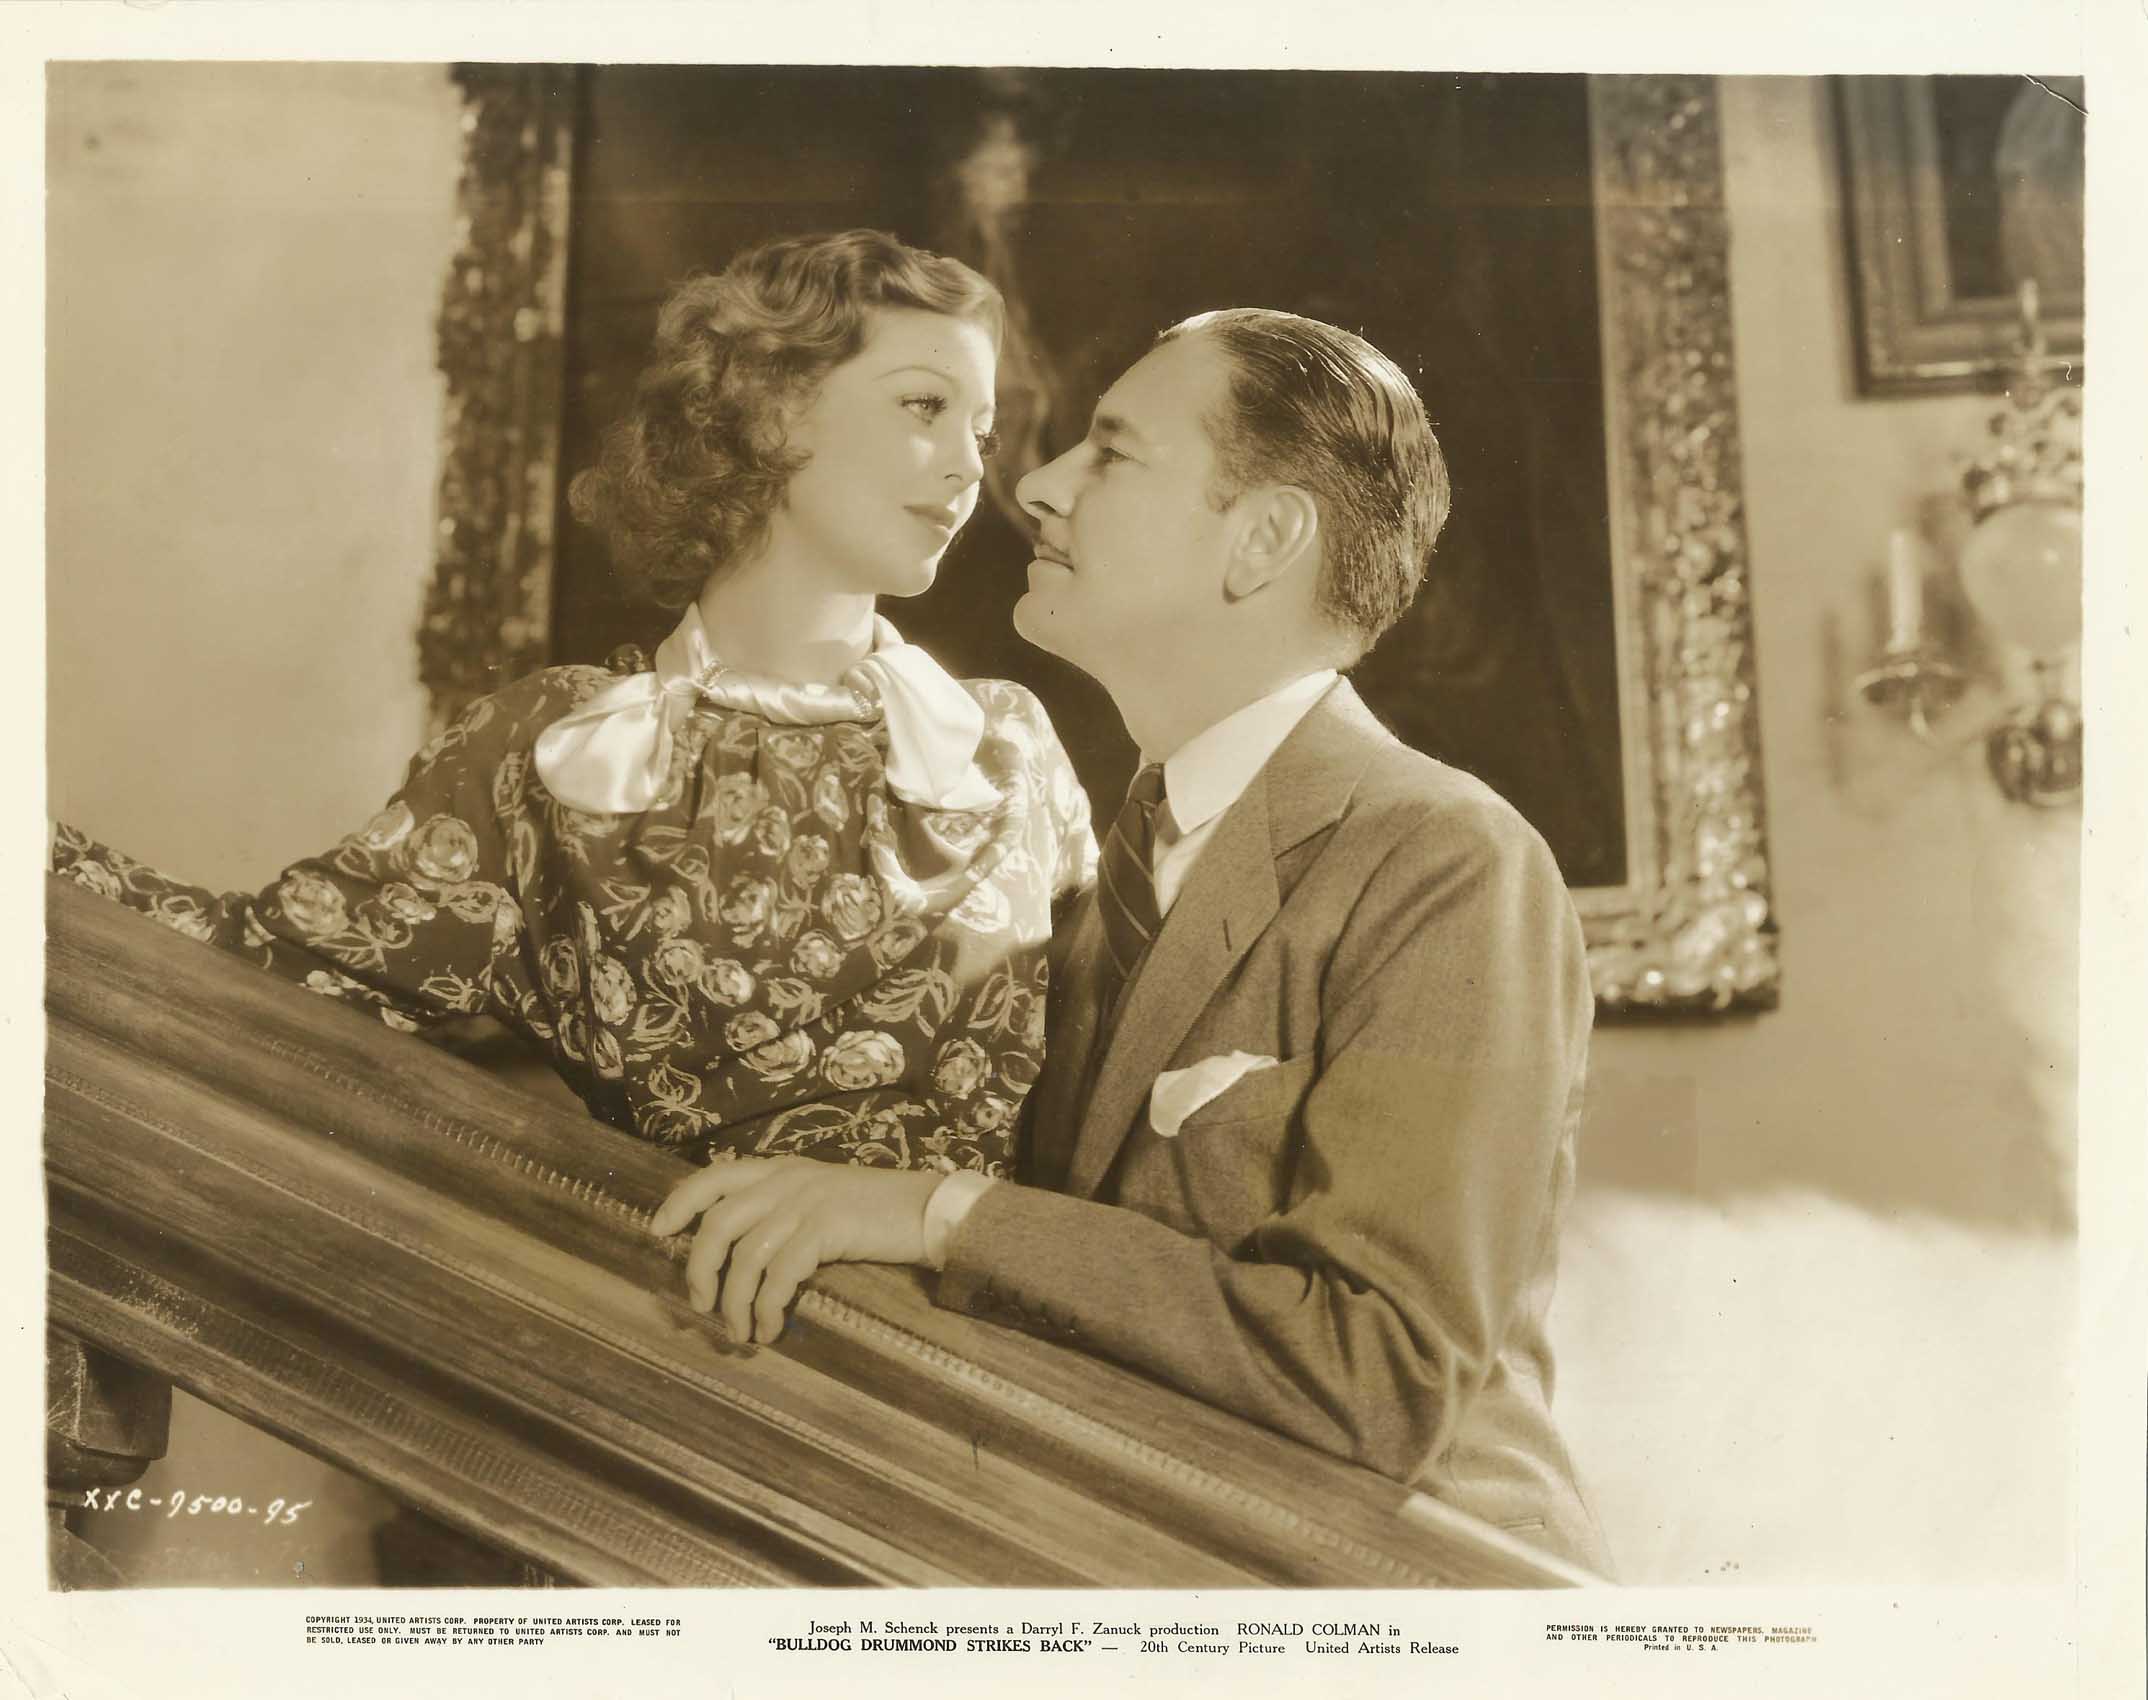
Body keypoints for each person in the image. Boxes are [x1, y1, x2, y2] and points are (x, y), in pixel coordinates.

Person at [653, 306, 1610, 1574]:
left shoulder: (1446, 855)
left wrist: (939, 1214)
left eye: (1111, 452)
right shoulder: (1104, 866)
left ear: (1262, 541)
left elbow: (1375, 1372)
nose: (1039, 485)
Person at [50, 229, 1095, 1189]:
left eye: (983, 428)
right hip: (684, 1312)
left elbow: (1120, 1095)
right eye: (924, 407)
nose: (972, 465)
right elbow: (266, 970)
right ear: (770, 409)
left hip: (995, 1317)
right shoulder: (555, 748)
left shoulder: (1009, 749)